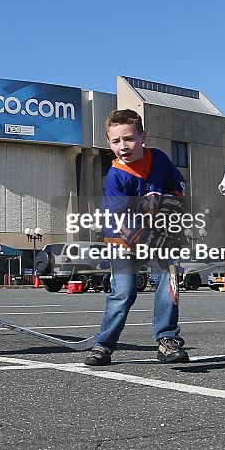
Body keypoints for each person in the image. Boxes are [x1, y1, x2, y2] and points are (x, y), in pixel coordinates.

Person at [85, 109, 189, 367]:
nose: (123, 146)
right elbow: (121, 221)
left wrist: (171, 207)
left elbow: (177, 187)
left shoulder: (160, 159)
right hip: (123, 239)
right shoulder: (116, 176)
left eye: (129, 138)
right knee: (124, 292)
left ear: (143, 136)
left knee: (169, 281)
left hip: (159, 234)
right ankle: (104, 345)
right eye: (116, 141)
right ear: (108, 143)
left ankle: (167, 340)